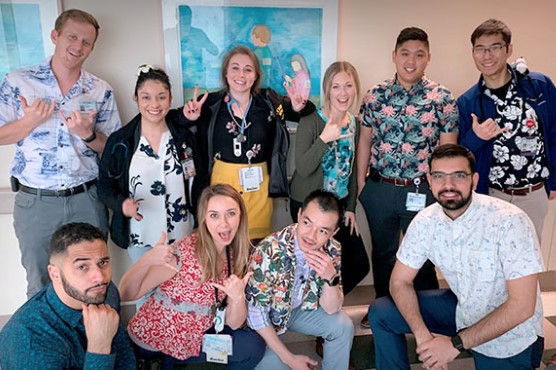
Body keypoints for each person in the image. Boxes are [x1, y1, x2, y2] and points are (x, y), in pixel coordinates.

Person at [369, 144, 544, 370]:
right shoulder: (425, 222)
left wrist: (453, 345)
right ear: (429, 181)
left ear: (474, 180)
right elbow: (399, 281)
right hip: (463, 310)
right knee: (382, 312)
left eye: (459, 176)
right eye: (439, 176)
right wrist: (423, 337)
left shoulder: (509, 221)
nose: (448, 185)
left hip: (510, 336)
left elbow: (522, 307)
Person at [0, 9, 121, 299]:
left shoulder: (100, 90)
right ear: (55, 36)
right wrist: (28, 123)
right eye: (72, 37)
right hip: (36, 202)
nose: (78, 46)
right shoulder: (19, 82)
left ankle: (94, 343)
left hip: (86, 199)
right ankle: (47, 345)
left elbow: (115, 150)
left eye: (86, 42)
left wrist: (88, 135)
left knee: (93, 283)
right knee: (41, 282)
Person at [357, 27, 459, 319]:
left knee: (423, 255)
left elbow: (447, 151)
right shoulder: (375, 96)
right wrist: (362, 183)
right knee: (384, 253)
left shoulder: (442, 97)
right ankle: (383, 308)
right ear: (394, 56)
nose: (411, 60)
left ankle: (427, 310)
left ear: (428, 58)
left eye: (419, 54)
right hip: (381, 188)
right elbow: (364, 139)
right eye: (405, 53)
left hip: (421, 190)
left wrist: (442, 191)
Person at [119, 184, 265, 369]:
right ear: (204, 218)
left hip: (191, 343)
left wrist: (238, 298)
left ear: (241, 216)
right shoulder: (183, 252)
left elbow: (233, 324)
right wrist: (146, 260)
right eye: (214, 215)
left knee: (253, 347)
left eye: (231, 213)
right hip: (154, 348)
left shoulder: (233, 254)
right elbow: (125, 294)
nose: (224, 224)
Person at [182, 45, 315, 242]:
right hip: (220, 186)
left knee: (256, 248)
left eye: (248, 69)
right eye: (235, 68)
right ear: (225, 73)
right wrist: (189, 117)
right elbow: (179, 120)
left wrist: (298, 106)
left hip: (258, 186)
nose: (241, 74)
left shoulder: (269, 101)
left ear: (255, 76)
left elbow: (305, 110)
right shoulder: (211, 103)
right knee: (224, 246)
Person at [457, 18, 556, 240]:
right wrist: (476, 137)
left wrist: (555, 180)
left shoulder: (538, 86)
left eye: (495, 47)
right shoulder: (468, 102)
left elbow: (553, 132)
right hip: (491, 195)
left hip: (533, 194)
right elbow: (458, 155)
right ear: (473, 53)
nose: (487, 56)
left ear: (509, 49)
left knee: (527, 263)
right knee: (492, 262)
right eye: (480, 49)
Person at [98, 65, 205, 265]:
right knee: (144, 295)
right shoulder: (121, 141)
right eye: (146, 97)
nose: (154, 104)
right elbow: (104, 187)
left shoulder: (184, 138)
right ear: (136, 99)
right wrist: (122, 204)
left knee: (181, 294)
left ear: (170, 99)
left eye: (161, 97)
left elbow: (200, 181)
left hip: (182, 233)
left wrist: (201, 221)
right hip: (140, 235)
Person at [0, 222, 135, 369]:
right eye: (82, 267)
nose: (100, 277)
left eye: (103, 262)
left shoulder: (102, 292)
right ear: (54, 274)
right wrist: (99, 347)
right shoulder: (29, 342)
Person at [246, 189, 354, 370]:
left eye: (322, 231)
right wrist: (290, 359)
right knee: (277, 364)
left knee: (343, 326)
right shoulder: (269, 250)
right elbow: (256, 315)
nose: (311, 236)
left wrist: (330, 278)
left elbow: (331, 308)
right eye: (307, 223)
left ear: (333, 232)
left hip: (297, 310)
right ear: (299, 214)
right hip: (266, 320)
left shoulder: (332, 249)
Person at [290, 60, 369, 298]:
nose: (342, 93)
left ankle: (328, 307)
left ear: (355, 88)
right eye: (336, 86)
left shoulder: (354, 123)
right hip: (310, 208)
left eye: (348, 86)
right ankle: (317, 318)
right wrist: (324, 139)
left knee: (358, 264)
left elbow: (353, 169)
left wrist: (351, 207)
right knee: (313, 267)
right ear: (327, 90)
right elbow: (303, 168)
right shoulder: (311, 121)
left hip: (339, 206)